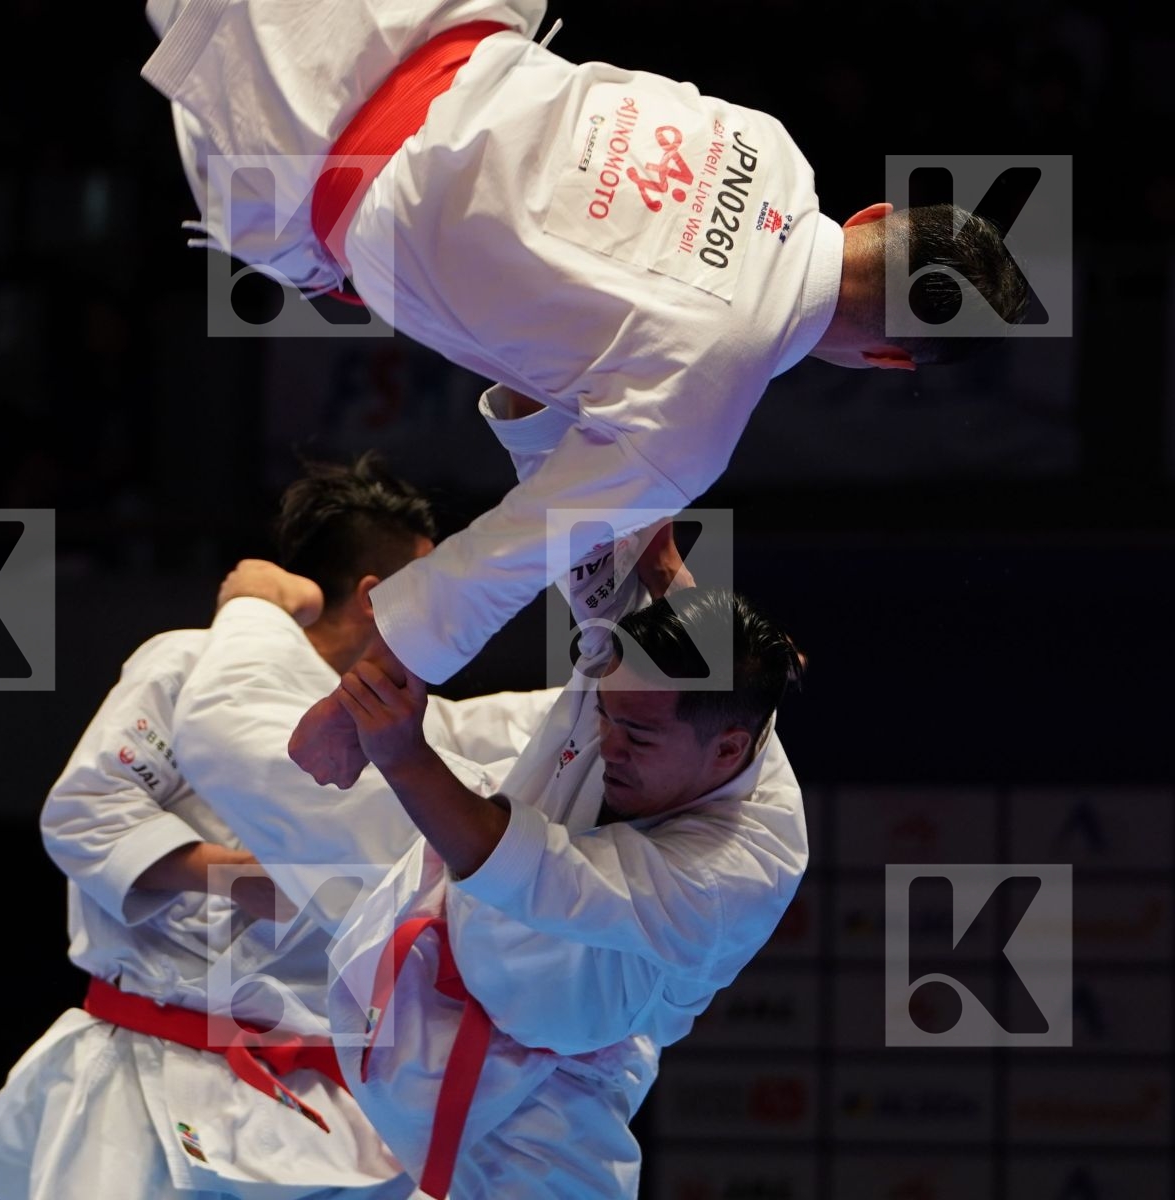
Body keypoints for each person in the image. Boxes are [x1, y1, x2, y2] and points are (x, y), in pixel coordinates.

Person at [142, 0, 1029, 728]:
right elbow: (497, 562)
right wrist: (359, 708)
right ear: (883, 357)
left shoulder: (764, 142)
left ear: (874, 215)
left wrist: (656, 558)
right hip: (298, 149)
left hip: (414, 22)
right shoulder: (691, 429)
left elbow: (575, 357)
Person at [0, 454, 568, 1200]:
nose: (453, 611)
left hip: (328, 1103)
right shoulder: (190, 663)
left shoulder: (414, 731)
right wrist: (234, 876)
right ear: (379, 598)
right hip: (155, 1069)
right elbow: (84, 814)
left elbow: (535, 732)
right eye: (433, 586)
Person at [321, 585, 807, 1198]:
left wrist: (404, 759)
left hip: (554, 1090)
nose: (609, 744)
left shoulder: (732, 873)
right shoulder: (671, 688)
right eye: (604, 711)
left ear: (731, 749)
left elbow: (542, 875)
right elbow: (553, 519)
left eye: (638, 735)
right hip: (439, 935)